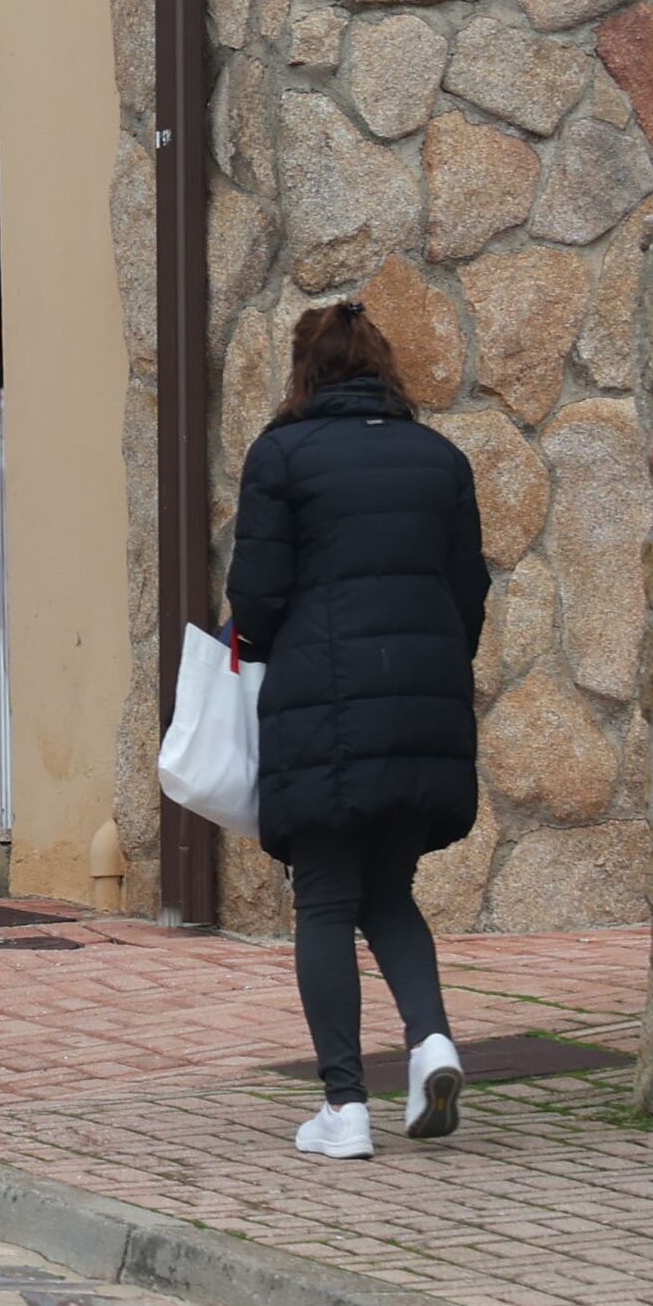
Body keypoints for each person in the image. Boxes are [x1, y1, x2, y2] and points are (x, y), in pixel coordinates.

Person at [224, 301, 481, 1159]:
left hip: (324, 705)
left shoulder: (282, 455)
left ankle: (344, 1107)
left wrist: (254, 652)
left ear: (305, 373)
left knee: (327, 897)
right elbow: (467, 593)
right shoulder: (439, 460)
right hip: (423, 700)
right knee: (390, 891)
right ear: (381, 369)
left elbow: (256, 600)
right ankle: (432, 1044)